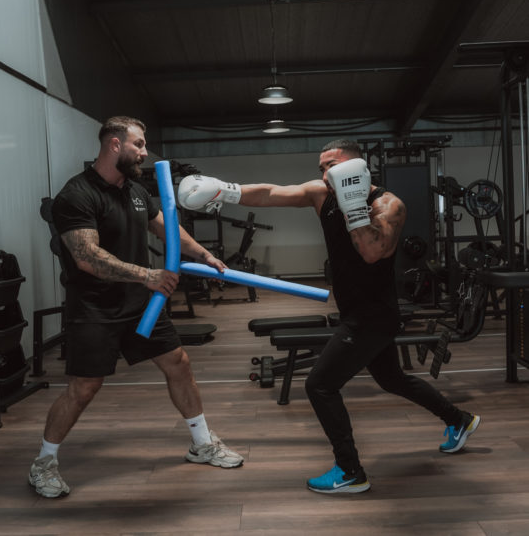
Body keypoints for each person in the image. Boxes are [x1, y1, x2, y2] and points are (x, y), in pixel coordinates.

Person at [177, 138, 480, 494]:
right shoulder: (322, 195)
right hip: (355, 309)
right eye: (321, 168)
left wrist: (353, 204)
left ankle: (350, 471)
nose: (323, 174)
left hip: (373, 315)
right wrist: (222, 191)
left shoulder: (388, 204)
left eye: (331, 166)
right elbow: (271, 193)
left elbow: (370, 252)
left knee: (319, 385)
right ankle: (459, 420)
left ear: (357, 167)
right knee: (392, 379)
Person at [29, 116, 243, 499]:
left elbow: (166, 228)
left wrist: (207, 255)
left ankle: (201, 443)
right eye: (139, 145)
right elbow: (86, 257)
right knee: (84, 387)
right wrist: (147, 274)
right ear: (114, 144)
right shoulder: (76, 195)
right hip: (95, 307)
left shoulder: (136, 190)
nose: (144, 152)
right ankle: (43, 463)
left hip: (140, 303)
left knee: (179, 363)